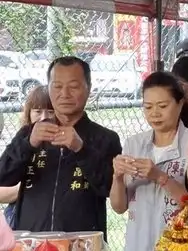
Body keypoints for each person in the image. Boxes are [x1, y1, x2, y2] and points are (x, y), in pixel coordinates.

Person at [0, 57, 122, 236]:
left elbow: (109, 189)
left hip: (82, 244)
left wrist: (81, 149)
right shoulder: (30, 133)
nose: (64, 94)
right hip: (32, 241)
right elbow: (3, 177)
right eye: (57, 86)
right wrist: (28, 144)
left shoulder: (105, 138)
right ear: (48, 88)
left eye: (73, 86)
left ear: (88, 88)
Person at [109, 72, 188, 251]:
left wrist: (159, 176)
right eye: (148, 107)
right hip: (138, 250)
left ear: (180, 104)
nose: (155, 113)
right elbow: (119, 207)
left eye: (162, 106)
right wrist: (117, 177)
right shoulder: (133, 144)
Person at [0, 87, 53, 228]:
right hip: (22, 217)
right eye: (37, 111)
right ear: (28, 114)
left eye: (50, 111)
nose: (44, 117)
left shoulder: (63, 144)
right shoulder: (22, 139)